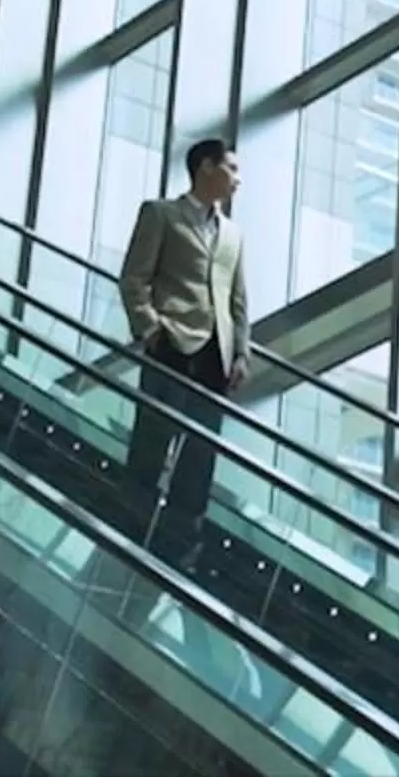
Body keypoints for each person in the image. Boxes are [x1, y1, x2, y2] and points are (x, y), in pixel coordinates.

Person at [117, 137, 251, 560]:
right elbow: (134, 279)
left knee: (200, 455)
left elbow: (238, 300)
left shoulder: (233, 234)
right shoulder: (161, 214)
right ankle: (132, 531)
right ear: (206, 168)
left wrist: (242, 353)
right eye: (231, 168)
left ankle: (180, 545)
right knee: (153, 441)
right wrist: (150, 329)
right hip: (171, 344)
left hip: (216, 356)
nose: (238, 179)